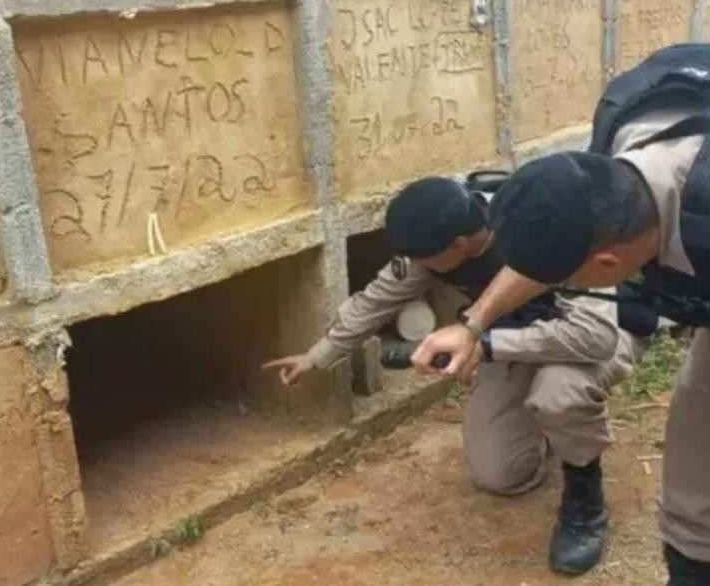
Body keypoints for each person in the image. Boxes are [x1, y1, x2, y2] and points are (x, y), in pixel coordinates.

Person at [410, 40, 710, 585]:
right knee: (704, 428)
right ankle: (697, 570)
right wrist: (475, 324)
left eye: (568, 278)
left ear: (610, 261)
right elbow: (562, 241)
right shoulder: (619, 156)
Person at [262, 176, 656, 576]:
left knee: (559, 394)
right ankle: (547, 428)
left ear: (460, 246)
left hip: (596, 336)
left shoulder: (546, 229)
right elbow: (377, 299)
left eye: (425, 260)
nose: (417, 268)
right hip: (514, 338)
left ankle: (584, 494)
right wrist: (317, 355)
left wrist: (484, 346)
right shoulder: (440, 239)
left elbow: (595, 338)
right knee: (499, 474)